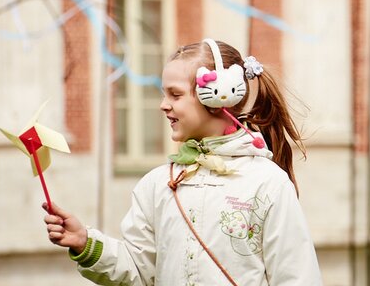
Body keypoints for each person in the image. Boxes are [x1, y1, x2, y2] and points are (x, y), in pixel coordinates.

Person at [43, 38, 323, 285]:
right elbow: (140, 271)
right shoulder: (157, 184)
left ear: (219, 96)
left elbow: (297, 277)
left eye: (175, 94)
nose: (164, 105)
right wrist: (85, 242)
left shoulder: (267, 182)